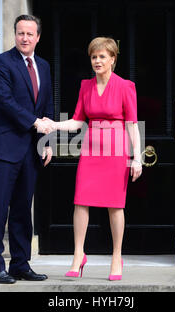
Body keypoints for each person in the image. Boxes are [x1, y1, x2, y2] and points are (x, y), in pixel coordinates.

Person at [44, 37, 142, 280]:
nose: (97, 61)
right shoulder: (85, 86)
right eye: (93, 57)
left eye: (102, 56)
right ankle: (78, 255)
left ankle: (117, 257)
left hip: (116, 149)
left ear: (112, 60)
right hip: (90, 148)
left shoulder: (125, 86)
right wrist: (54, 124)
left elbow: (132, 125)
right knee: (81, 201)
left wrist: (136, 158)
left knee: (115, 204)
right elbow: (78, 120)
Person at [0, 14, 54, 284]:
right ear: (15, 35)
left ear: (38, 37)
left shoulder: (44, 66)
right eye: (20, 33)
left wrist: (46, 142)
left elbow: (46, 104)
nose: (24, 38)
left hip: (31, 150)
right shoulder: (1, 62)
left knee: (23, 210)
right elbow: (4, 101)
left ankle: (20, 264)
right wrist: (34, 122)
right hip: (4, 147)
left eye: (30, 34)